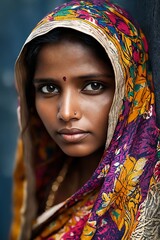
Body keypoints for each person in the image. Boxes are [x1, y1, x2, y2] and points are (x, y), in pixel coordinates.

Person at [10, 0, 160, 239]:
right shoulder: (45, 172)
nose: (67, 112)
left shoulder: (149, 197)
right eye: (49, 88)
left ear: (129, 89)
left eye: (93, 86)